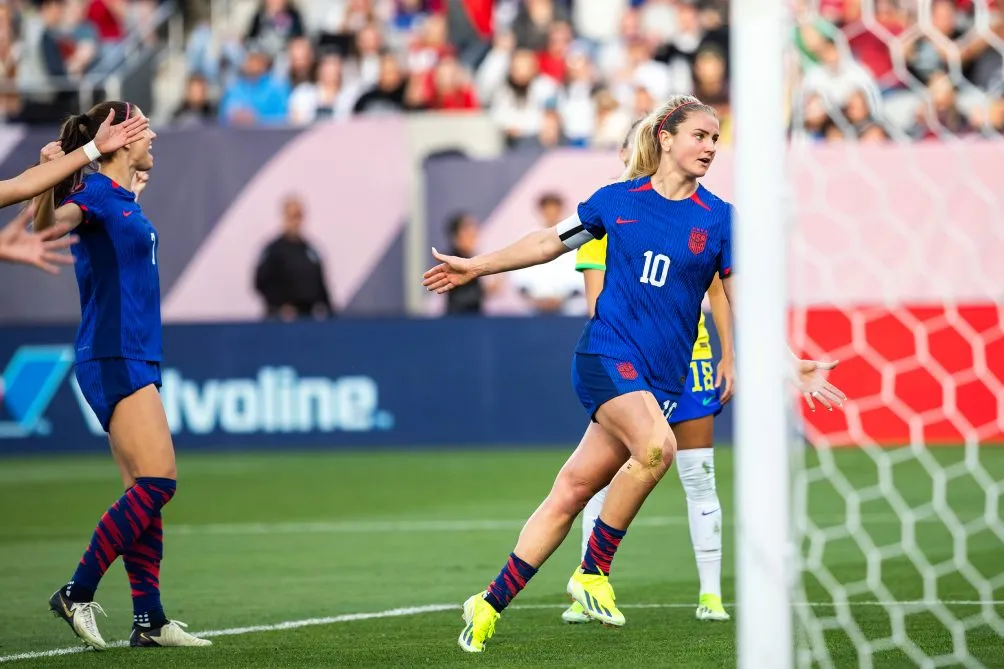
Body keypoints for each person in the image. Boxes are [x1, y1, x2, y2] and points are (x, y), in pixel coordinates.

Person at [423, 95, 845, 653]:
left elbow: (748, 303)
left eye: (716, 139)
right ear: (666, 138)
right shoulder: (617, 202)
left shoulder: (719, 219)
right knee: (656, 448)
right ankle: (593, 572)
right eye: (700, 135)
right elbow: (549, 241)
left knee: (570, 492)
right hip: (605, 356)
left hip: (658, 383)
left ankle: (488, 603)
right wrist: (476, 265)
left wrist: (790, 364)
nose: (711, 148)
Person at [31, 101, 211, 651]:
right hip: (113, 354)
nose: (153, 133)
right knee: (159, 482)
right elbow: (45, 226)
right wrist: (49, 180)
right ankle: (77, 590)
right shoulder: (93, 198)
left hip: (131, 353)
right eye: (143, 126)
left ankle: (149, 621)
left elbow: (126, 193)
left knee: (142, 491)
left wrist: (122, 174)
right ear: (121, 137)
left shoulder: (122, 199)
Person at [563, 118, 735, 625]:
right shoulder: (611, 216)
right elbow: (598, 304)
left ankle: (710, 595)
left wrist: (729, 354)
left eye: (712, 140)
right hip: (630, 368)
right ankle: (588, 584)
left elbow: (721, 290)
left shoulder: (708, 218)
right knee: (600, 477)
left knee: (698, 475)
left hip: (693, 361)